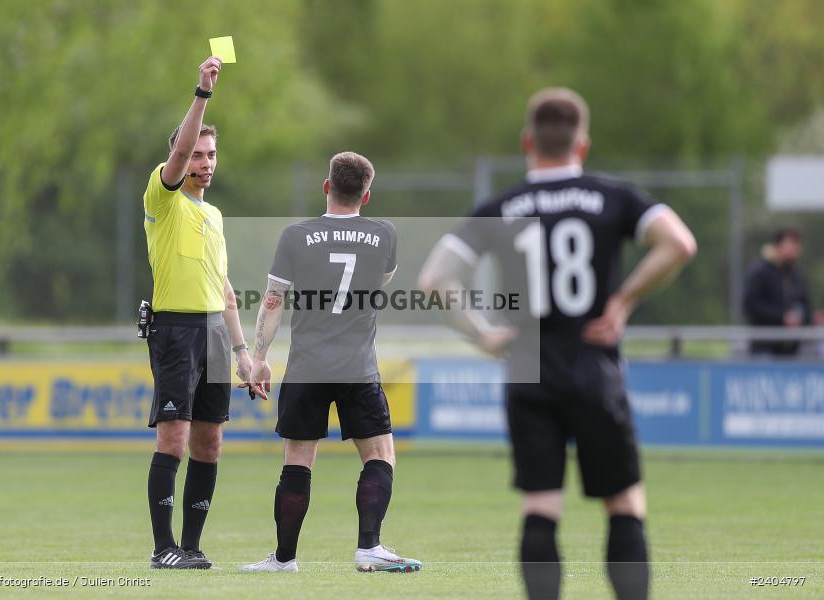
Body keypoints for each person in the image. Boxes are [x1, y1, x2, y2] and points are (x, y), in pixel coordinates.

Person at [418, 88, 697, 600]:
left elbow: (434, 279)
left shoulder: (501, 206)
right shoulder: (613, 196)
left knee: (541, 507)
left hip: (528, 368)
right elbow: (679, 243)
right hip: (594, 366)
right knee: (624, 503)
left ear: (528, 141)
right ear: (582, 145)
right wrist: (623, 301)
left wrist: (480, 333)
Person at [239, 152, 422, 574]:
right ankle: (369, 548)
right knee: (380, 454)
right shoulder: (385, 234)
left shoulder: (296, 236)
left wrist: (260, 358)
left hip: (307, 366)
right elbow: (382, 281)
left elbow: (272, 300)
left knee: (297, 461)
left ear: (326, 187)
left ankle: (284, 559)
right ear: (367, 194)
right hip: (358, 367)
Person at [142, 55, 258, 569]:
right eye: (197, 154)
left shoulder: (213, 215)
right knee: (176, 435)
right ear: (179, 158)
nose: (205, 161)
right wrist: (203, 92)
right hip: (176, 330)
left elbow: (226, 291)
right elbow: (181, 146)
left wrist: (245, 354)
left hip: (214, 332)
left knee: (210, 443)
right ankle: (162, 548)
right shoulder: (163, 200)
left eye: (211, 154)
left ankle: (191, 547)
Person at [742, 228, 812, 356]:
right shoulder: (760, 272)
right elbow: (750, 305)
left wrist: (801, 320)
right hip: (764, 348)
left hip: (792, 350)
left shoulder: (796, 276)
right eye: (790, 245)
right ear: (777, 246)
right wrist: (782, 318)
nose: (794, 251)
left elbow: (806, 307)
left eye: (796, 246)